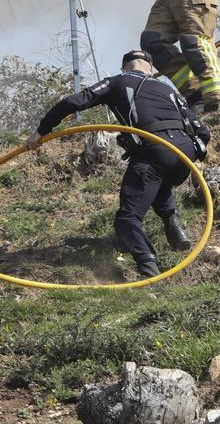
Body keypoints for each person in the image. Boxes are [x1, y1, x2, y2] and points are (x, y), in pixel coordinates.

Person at [24, 50, 210, 279]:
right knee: (158, 180)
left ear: (125, 67)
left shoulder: (118, 81)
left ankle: (149, 268)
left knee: (127, 218)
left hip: (154, 149)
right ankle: (173, 223)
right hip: (184, 155)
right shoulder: (168, 90)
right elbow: (202, 130)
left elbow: (72, 102)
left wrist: (40, 132)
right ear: (151, 69)